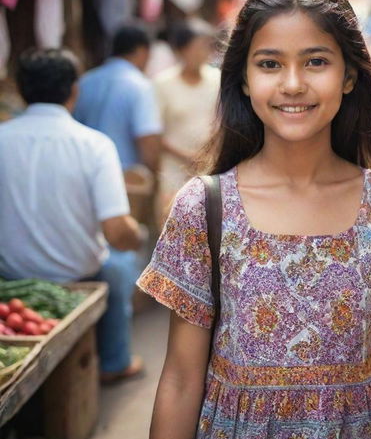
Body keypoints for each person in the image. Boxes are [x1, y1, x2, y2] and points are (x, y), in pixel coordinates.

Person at [138, 0, 371, 439]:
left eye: (317, 61)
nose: (293, 83)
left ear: (349, 76)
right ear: (243, 79)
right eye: (270, 63)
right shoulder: (204, 207)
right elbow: (182, 378)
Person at [0, 49, 145, 381]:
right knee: (121, 265)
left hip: (10, 279)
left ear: (21, 90)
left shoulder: (1, 139)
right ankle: (114, 362)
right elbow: (116, 232)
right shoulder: (94, 145)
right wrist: (136, 234)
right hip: (78, 276)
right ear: (74, 90)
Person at [73, 22, 162, 175]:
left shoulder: (85, 81)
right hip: (124, 179)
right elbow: (148, 139)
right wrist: (153, 178)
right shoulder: (140, 86)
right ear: (142, 51)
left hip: (83, 174)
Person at [154, 19, 221, 222]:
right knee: (172, 222)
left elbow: (222, 122)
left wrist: (208, 153)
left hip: (210, 166)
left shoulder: (217, 79)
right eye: (197, 46)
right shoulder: (163, 84)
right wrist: (187, 156)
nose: (203, 52)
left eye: (206, 46)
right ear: (182, 50)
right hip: (174, 170)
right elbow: (154, 132)